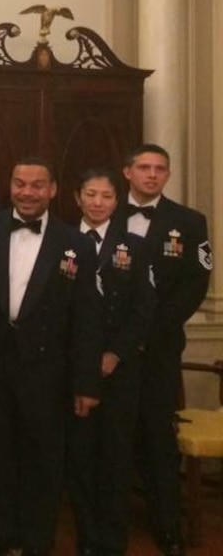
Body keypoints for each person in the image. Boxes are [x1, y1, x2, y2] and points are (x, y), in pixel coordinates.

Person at [0, 158, 102, 556]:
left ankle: (37, 539)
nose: (27, 192)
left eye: (37, 185)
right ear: (10, 185)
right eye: (20, 184)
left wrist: (86, 383)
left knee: (43, 461)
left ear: (54, 190)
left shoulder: (76, 244)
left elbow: (87, 319)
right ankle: (1, 532)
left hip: (47, 371)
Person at [120, 144, 212, 556]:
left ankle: (168, 526)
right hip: (111, 348)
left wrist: (148, 331)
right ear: (128, 172)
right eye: (144, 167)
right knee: (112, 435)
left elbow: (195, 285)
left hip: (158, 348)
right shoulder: (103, 213)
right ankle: (110, 522)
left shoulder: (189, 222)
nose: (152, 175)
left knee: (158, 435)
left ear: (168, 175)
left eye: (160, 169)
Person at [67, 168, 155, 556]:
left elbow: (144, 308)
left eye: (105, 196)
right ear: (77, 198)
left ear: (117, 202)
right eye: (90, 194)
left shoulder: (134, 246)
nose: (97, 202)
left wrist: (115, 353)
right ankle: (87, 538)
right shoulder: (63, 242)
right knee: (81, 458)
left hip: (119, 369)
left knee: (115, 459)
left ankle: (112, 541)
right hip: (74, 367)